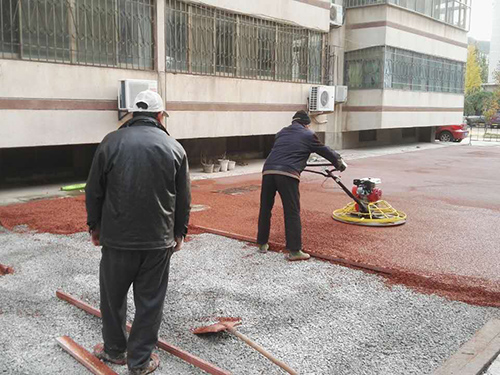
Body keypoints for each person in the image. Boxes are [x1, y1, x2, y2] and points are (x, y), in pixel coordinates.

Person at [85, 90, 191, 375]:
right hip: (158, 241)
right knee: (150, 302)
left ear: (132, 115)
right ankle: (140, 361)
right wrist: (179, 233)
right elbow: (184, 198)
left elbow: (94, 189)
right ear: (159, 116)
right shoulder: (174, 147)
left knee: (112, 297)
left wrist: (94, 226)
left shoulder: (110, 142)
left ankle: (115, 350)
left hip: (117, 239)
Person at [256, 110, 346, 261]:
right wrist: (338, 161)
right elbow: (324, 150)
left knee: (265, 208)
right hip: (288, 173)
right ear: (307, 124)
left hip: (268, 172)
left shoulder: (281, 133)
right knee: (292, 211)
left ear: (293, 122)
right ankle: (295, 251)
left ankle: (262, 243)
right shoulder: (308, 135)